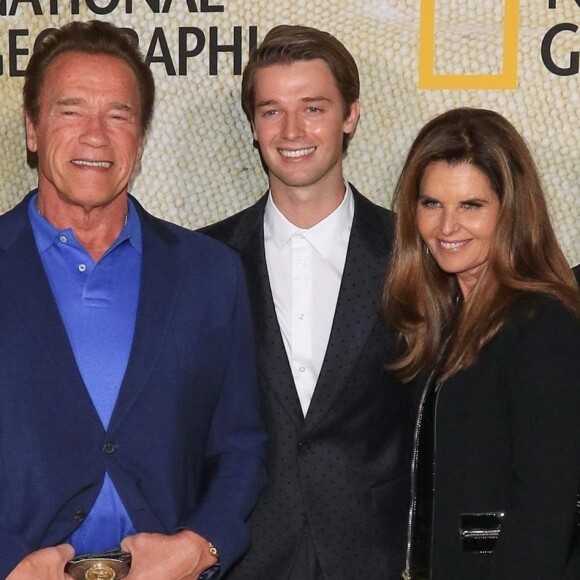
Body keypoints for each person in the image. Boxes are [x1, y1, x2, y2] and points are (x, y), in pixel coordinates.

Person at [0, 20, 267, 580]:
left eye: (118, 115)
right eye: (71, 111)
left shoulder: (210, 273)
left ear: (140, 140)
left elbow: (242, 445)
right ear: (31, 128)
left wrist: (200, 547)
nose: (96, 135)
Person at [201, 24, 413, 580]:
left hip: (376, 557)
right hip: (244, 556)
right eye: (271, 110)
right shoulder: (203, 261)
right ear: (253, 124)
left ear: (351, 115)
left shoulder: (411, 254)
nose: (292, 129)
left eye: (313, 108)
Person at [383, 107, 580, 580]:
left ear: (510, 211)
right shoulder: (437, 317)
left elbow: (546, 505)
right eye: (432, 204)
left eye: (471, 205)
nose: (447, 227)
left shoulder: (543, 322)